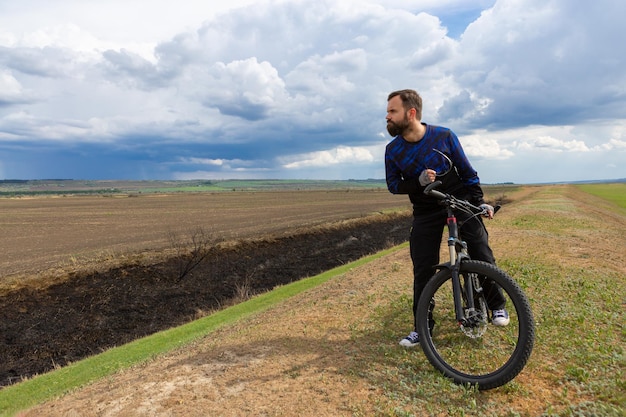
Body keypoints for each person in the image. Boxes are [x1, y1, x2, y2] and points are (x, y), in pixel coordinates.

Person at [384, 89, 509, 348]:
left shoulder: (443, 136)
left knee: (480, 251)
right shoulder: (393, 150)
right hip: (426, 210)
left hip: (459, 200)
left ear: (411, 113)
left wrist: (478, 202)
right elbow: (394, 185)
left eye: (392, 111)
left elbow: (467, 172)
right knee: (423, 268)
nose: (387, 117)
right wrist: (417, 183)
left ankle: (497, 306)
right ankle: (422, 327)